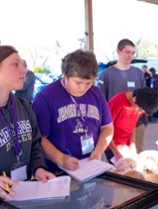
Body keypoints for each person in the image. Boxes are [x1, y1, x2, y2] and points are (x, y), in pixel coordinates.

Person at [32, 49, 114, 173]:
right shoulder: (46, 96)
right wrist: (60, 159)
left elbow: (107, 128)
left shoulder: (97, 94)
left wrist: (98, 151)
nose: (83, 88)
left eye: (88, 83)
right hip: (57, 170)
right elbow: (39, 139)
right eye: (78, 82)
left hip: (91, 165)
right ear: (65, 74)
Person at [0, 45, 55, 200]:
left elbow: (35, 146)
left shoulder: (24, 107)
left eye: (23, 64)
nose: (23, 70)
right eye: (15, 64)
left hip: (21, 196)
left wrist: (38, 169)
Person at [97, 39, 147, 154]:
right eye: (127, 52)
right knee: (116, 163)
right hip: (113, 126)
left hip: (135, 124)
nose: (131, 56)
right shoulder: (106, 74)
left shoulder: (138, 73)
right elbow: (101, 101)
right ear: (118, 52)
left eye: (133, 53)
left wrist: (143, 120)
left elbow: (145, 95)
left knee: (136, 159)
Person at [105, 87, 158, 162]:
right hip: (111, 146)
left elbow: (133, 123)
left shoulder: (139, 103)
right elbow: (105, 129)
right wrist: (116, 153)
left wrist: (132, 143)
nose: (140, 112)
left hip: (125, 146)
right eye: (140, 110)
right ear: (134, 99)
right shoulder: (116, 103)